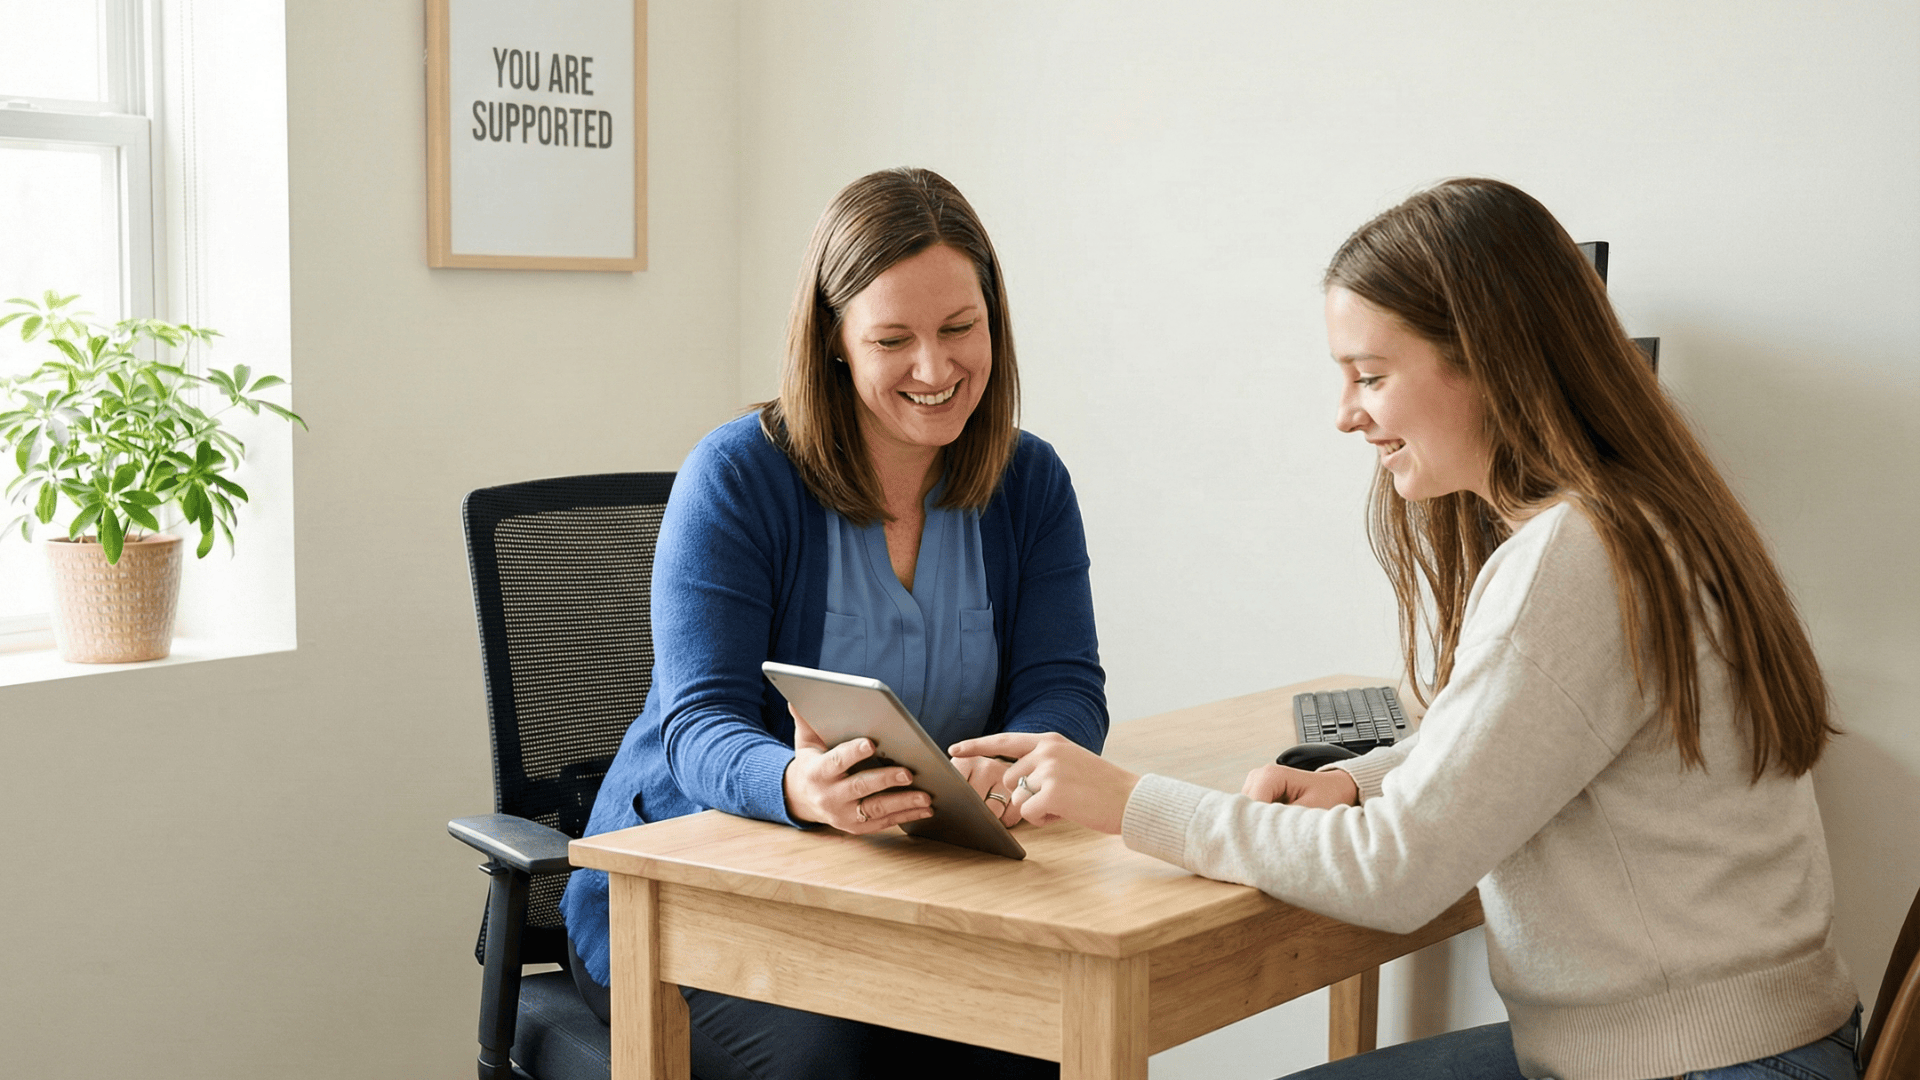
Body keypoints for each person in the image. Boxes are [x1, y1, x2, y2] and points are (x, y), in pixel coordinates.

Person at [955, 178, 1862, 1080]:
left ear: (1491, 362)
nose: (1345, 412)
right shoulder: (1633, 520)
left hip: (1696, 1066)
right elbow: (1516, 744)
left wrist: (1128, 803)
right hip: (1739, 1045)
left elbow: (1396, 875)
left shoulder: (1575, 557)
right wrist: (1357, 784)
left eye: (1372, 376)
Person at [559, 166, 1105, 1080]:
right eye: (894, 339)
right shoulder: (737, 477)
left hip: (900, 888)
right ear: (835, 342)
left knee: (1037, 1039)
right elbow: (700, 724)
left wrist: (1016, 761)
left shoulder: (1029, 481)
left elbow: (1066, 685)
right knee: (838, 1061)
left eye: (960, 329)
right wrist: (795, 784)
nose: (936, 369)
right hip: (688, 898)